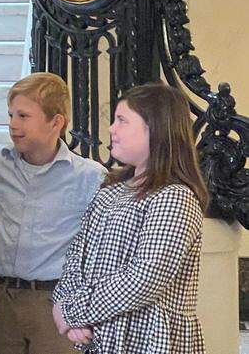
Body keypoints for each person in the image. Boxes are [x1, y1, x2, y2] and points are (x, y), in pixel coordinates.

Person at [51, 83, 209, 353]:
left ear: (157, 129)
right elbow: (76, 258)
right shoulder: (110, 192)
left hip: (150, 340)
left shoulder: (175, 197)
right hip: (101, 335)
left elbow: (144, 278)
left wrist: (71, 310)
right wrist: (63, 305)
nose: (112, 129)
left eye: (122, 120)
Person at [0, 73, 106, 354]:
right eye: (10, 115)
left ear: (56, 122)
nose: (13, 125)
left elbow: (107, 240)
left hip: (55, 303)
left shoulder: (88, 176)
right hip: (4, 298)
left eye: (24, 116)